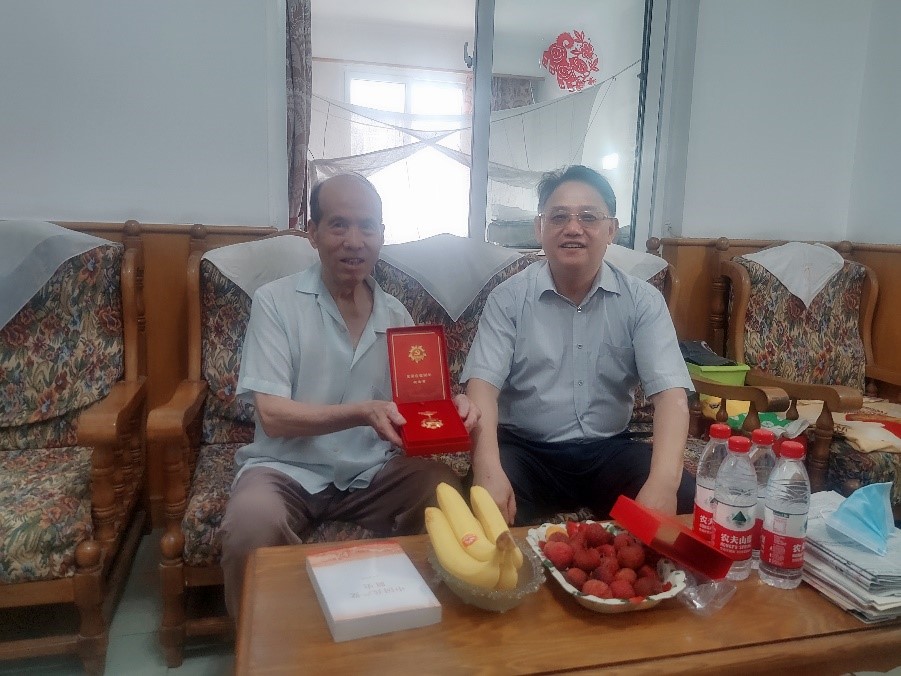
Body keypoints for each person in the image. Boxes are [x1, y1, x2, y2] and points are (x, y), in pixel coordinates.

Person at [220, 174, 479, 615]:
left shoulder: (397, 316)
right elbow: (273, 416)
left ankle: (413, 622)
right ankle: (262, 645)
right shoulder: (275, 302)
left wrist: (452, 406)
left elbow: (417, 402)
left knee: (443, 491)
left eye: (367, 226)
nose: (354, 241)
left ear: (382, 235)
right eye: (339, 225)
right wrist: (361, 413)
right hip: (287, 469)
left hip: (371, 473)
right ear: (313, 233)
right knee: (251, 524)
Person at [461, 165, 694, 526]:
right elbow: (482, 389)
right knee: (478, 508)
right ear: (539, 228)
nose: (573, 228)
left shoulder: (642, 301)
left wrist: (664, 483)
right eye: (559, 217)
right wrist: (487, 469)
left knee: (688, 498)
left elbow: (671, 396)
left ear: (611, 230)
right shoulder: (508, 299)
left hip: (609, 451)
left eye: (588, 216)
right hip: (525, 452)